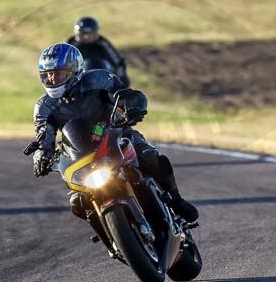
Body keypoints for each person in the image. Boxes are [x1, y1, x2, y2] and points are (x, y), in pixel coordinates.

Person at [32, 42, 198, 223]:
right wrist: (41, 155)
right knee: (77, 203)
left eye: (58, 73)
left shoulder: (99, 79)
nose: (53, 79)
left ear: (74, 71)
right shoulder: (44, 107)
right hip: (80, 156)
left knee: (149, 157)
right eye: (48, 74)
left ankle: (176, 200)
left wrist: (133, 106)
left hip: (116, 133)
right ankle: (109, 237)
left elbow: (124, 95)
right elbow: (44, 137)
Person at [66, 16, 130, 87]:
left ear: (95, 33)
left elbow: (118, 62)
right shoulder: (72, 44)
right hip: (79, 83)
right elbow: (63, 61)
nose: (86, 37)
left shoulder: (102, 43)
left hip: (103, 82)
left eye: (90, 34)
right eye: (83, 34)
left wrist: (121, 82)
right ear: (77, 33)